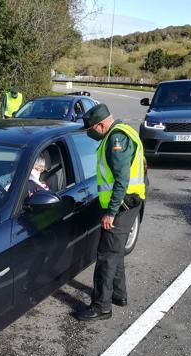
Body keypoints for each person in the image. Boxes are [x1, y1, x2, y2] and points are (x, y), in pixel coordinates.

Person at [76, 104, 146, 322]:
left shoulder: (117, 139)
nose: (90, 133)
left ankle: (101, 306)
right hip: (130, 202)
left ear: (101, 124)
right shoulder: (125, 130)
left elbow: (121, 180)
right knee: (115, 252)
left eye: (91, 129)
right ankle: (118, 294)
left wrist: (111, 212)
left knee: (106, 256)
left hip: (122, 205)